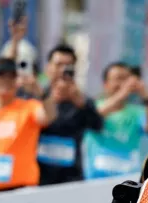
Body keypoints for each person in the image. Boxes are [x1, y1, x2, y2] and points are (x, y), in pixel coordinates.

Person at [0, 57, 56, 195]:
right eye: (0, 76)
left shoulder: (29, 107)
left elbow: (50, 116)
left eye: (11, 77)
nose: (6, 81)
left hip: (21, 190)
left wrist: (41, 93)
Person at [35, 45, 104, 185]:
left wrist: (81, 104)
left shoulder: (82, 100)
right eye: (58, 64)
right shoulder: (36, 96)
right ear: (48, 67)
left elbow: (98, 125)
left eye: (68, 66)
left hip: (70, 178)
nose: (62, 70)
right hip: (38, 176)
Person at [82, 62, 148, 179]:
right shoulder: (94, 106)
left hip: (126, 180)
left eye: (126, 79)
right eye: (118, 79)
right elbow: (93, 116)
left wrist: (146, 96)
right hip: (94, 180)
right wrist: (123, 93)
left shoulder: (137, 112)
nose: (123, 84)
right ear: (106, 84)